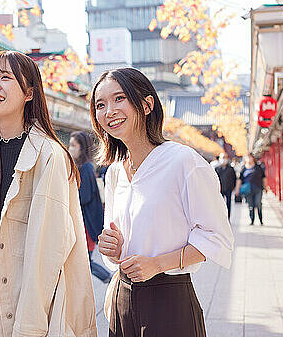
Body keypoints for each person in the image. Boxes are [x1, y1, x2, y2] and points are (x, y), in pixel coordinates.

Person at [0, 51, 96, 337]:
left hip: (31, 289)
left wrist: (30, 326)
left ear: (28, 93)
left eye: (5, 77)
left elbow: (48, 248)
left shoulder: (49, 155)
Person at [92, 68, 234, 337]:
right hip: (122, 297)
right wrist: (111, 248)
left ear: (147, 105)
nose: (109, 111)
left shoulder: (183, 162)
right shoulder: (113, 173)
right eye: (101, 104)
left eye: (119, 98)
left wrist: (157, 264)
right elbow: (115, 244)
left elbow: (217, 238)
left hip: (168, 300)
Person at [69, 131, 111, 283]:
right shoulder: (80, 167)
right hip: (82, 223)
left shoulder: (86, 168)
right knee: (82, 261)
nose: (70, 148)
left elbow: (83, 197)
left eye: (74, 145)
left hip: (86, 224)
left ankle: (108, 277)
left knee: (84, 261)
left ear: (82, 148)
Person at [235, 154, 267, 225]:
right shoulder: (243, 168)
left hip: (258, 188)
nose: (249, 159)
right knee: (250, 205)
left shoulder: (258, 167)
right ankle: (252, 220)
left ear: (253, 158)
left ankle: (260, 219)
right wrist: (237, 189)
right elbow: (239, 180)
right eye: (247, 157)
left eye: (250, 157)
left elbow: (263, 177)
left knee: (258, 204)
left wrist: (265, 187)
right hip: (248, 190)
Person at [215, 152, 236, 220]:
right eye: (222, 158)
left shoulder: (231, 169)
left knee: (228, 203)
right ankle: (221, 217)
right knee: (220, 204)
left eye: (225, 157)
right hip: (220, 189)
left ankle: (228, 217)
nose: (224, 159)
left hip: (228, 189)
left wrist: (233, 187)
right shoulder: (217, 169)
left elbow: (234, 178)